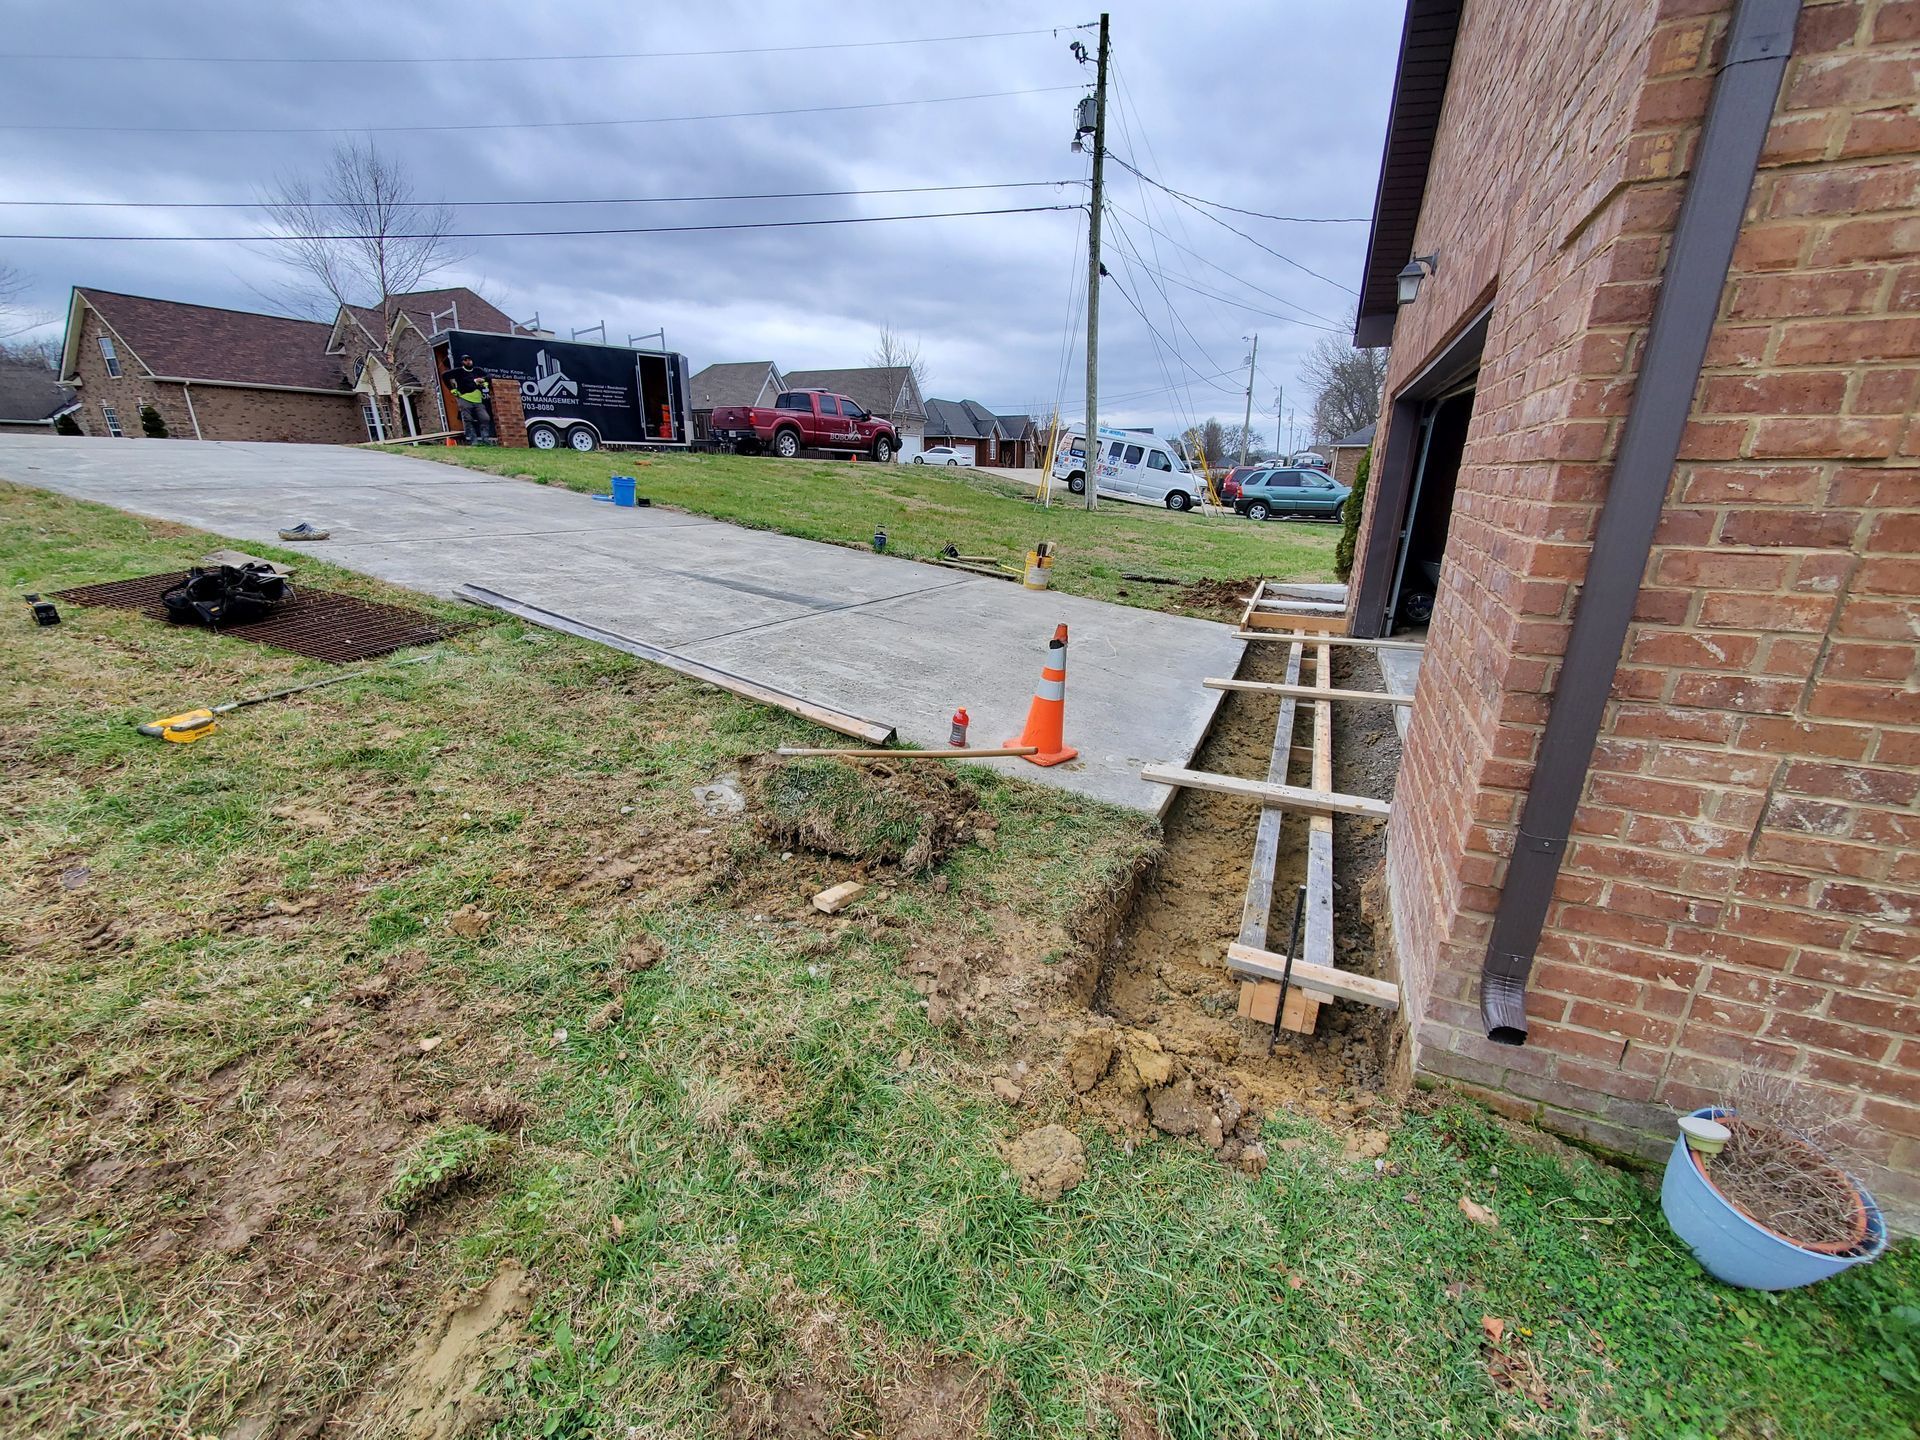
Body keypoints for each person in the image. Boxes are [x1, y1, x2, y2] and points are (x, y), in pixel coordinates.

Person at [442, 354, 494, 444]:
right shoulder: (459, 371)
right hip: (464, 398)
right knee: (468, 419)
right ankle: (473, 441)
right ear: (462, 362)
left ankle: (485, 439)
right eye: (466, 360)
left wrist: (483, 379)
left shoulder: (477, 370)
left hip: (478, 400)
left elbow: (489, 376)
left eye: (469, 359)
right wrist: (452, 389)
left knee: (485, 418)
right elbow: (444, 376)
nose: (468, 361)